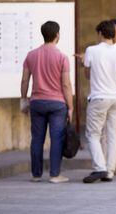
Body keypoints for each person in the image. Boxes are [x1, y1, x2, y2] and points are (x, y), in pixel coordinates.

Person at [20, 21, 73, 184]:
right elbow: (66, 84)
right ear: (57, 35)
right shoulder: (62, 57)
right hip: (57, 104)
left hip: (37, 102)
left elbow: (24, 80)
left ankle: (36, 175)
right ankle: (55, 174)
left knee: (37, 138)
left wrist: (23, 99)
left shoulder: (31, 55)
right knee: (56, 138)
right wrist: (70, 106)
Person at [82, 20, 116, 183]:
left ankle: (99, 167)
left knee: (93, 134)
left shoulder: (91, 50)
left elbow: (87, 74)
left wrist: (85, 63)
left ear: (101, 33)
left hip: (98, 97)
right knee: (113, 135)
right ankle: (109, 171)